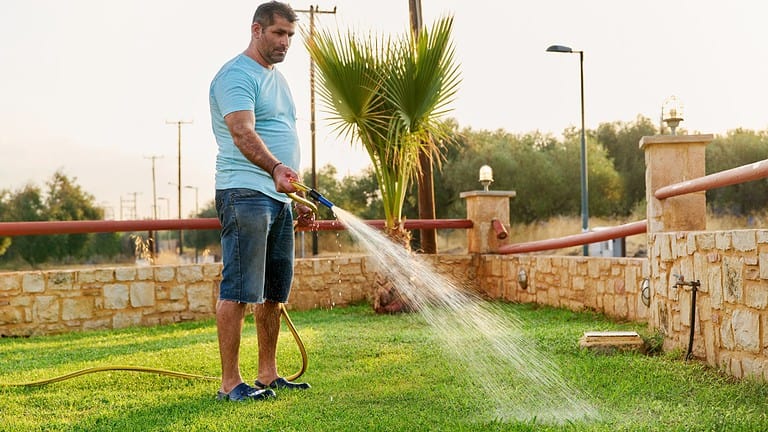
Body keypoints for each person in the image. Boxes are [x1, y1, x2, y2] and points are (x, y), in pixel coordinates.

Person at [209, 1, 314, 402]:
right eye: (278, 34)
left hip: (278, 198)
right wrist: (275, 170)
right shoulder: (236, 75)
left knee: (274, 293)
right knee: (239, 290)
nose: (285, 42)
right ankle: (230, 384)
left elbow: (280, 135)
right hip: (244, 193)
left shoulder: (278, 79)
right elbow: (242, 132)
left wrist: (297, 196)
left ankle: (267, 374)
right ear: (256, 30)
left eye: (290, 35)